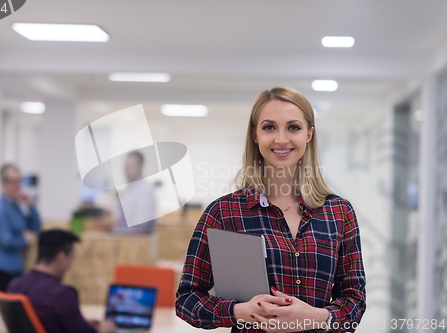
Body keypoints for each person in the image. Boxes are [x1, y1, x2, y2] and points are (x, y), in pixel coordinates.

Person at [175, 87, 366, 333]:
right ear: (255, 134)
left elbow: (355, 301)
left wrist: (315, 317)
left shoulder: (339, 212)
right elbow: (186, 299)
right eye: (269, 127)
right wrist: (240, 311)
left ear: (309, 134)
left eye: (293, 127)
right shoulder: (224, 212)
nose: (281, 139)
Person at [7, 229, 116, 333]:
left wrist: (82, 323)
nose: (70, 264)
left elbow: (40, 323)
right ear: (61, 257)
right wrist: (105, 330)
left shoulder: (15, 285)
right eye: (71, 258)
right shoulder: (61, 294)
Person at [0, 163, 41, 293]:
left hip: (16, 267)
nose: (18, 185)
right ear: (3, 183)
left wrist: (30, 206)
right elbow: (6, 240)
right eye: (13, 182)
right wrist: (24, 239)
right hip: (0, 268)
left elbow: (35, 227)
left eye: (19, 181)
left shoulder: (17, 206)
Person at [111, 151, 156, 234]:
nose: (127, 169)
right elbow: (120, 219)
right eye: (126, 166)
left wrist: (113, 230)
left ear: (140, 167)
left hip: (140, 243)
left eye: (131, 166)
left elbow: (140, 228)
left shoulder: (145, 190)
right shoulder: (128, 189)